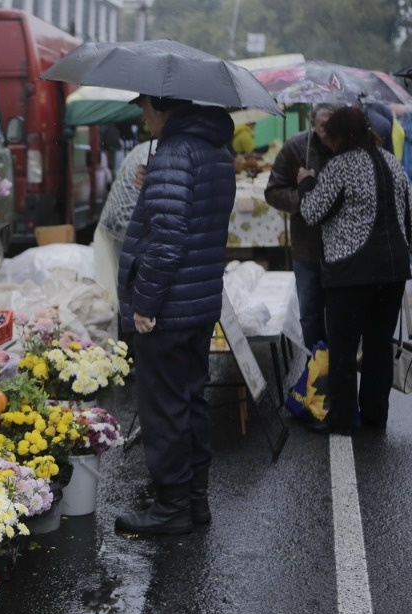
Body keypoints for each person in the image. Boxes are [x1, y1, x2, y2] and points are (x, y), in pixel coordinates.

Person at [114, 95, 236, 536]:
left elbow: (167, 239)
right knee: (190, 398)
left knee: (163, 407)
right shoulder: (215, 150)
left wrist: (145, 303)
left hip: (168, 304)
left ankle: (171, 505)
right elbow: (195, 213)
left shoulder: (174, 152)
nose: (142, 117)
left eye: (145, 109)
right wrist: (156, 183)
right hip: (199, 301)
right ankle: (195, 499)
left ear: (162, 107)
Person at [296, 106, 412, 435]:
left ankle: (343, 420)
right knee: (378, 346)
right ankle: (376, 416)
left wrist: (306, 184)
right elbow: (410, 216)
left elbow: (313, 212)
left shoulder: (341, 167)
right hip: (392, 272)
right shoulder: (392, 164)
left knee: (344, 348)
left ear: (341, 135)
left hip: (350, 274)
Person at [264, 104, 341, 351]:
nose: (327, 134)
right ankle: (315, 368)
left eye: (332, 127)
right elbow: (273, 191)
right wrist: (304, 197)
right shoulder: (296, 148)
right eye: (322, 127)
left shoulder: (346, 147)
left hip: (342, 246)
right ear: (312, 124)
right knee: (310, 313)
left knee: (340, 314)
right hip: (307, 246)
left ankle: (338, 368)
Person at [92, 139, 152, 337]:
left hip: (124, 227)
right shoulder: (160, 150)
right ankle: (127, 345)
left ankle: (125, 347)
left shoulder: (153, 148)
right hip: (130, 229)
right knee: (128, 295)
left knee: (124, 292)